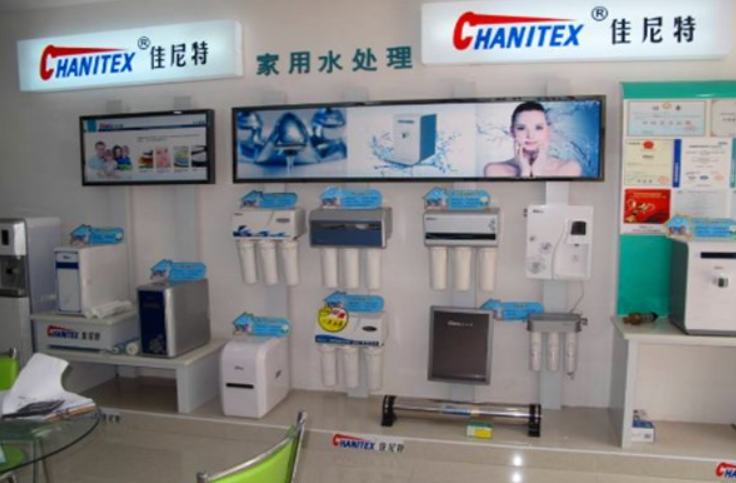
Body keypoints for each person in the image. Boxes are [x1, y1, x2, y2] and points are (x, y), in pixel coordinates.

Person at [484, 101, 582, 178]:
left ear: (548, 131)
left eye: (538, 128)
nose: (530, 136)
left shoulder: (569, 168)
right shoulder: (494, 170)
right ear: (512, 132)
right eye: (521, 128)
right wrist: (525, 172)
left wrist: (538, 171)